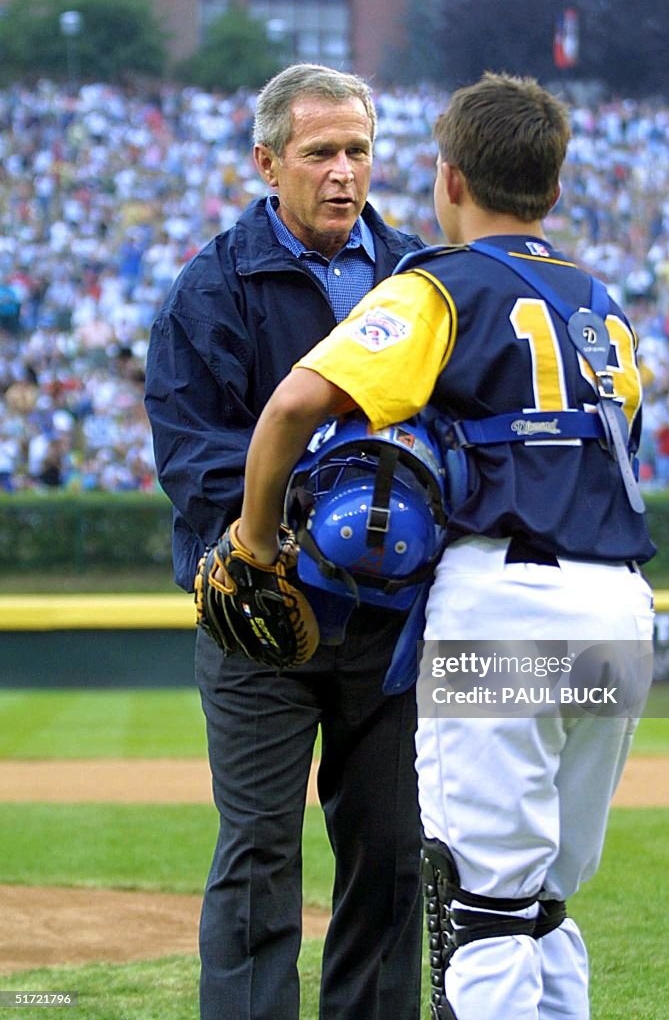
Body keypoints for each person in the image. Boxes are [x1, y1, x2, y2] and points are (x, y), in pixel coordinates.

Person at [233, 72, 656, 1020]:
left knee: (482, 908)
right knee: (544, 900)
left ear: (449, 178)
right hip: (618, 613)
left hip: (505, 608)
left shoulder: (437, 286)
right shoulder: (602, 306)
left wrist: (254, 540)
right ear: (552, 185)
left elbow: (295, 404)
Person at [143, 64, 425, 1020]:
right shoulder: (209, 288)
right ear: (268, 163)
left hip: (392, 628)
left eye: (358, 152)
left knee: (389, 856)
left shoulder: (422, 277)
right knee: (261, 854)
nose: (344, 172)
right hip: (258, 613)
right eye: (320, 154)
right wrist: (336, 512)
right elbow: (194, 460)